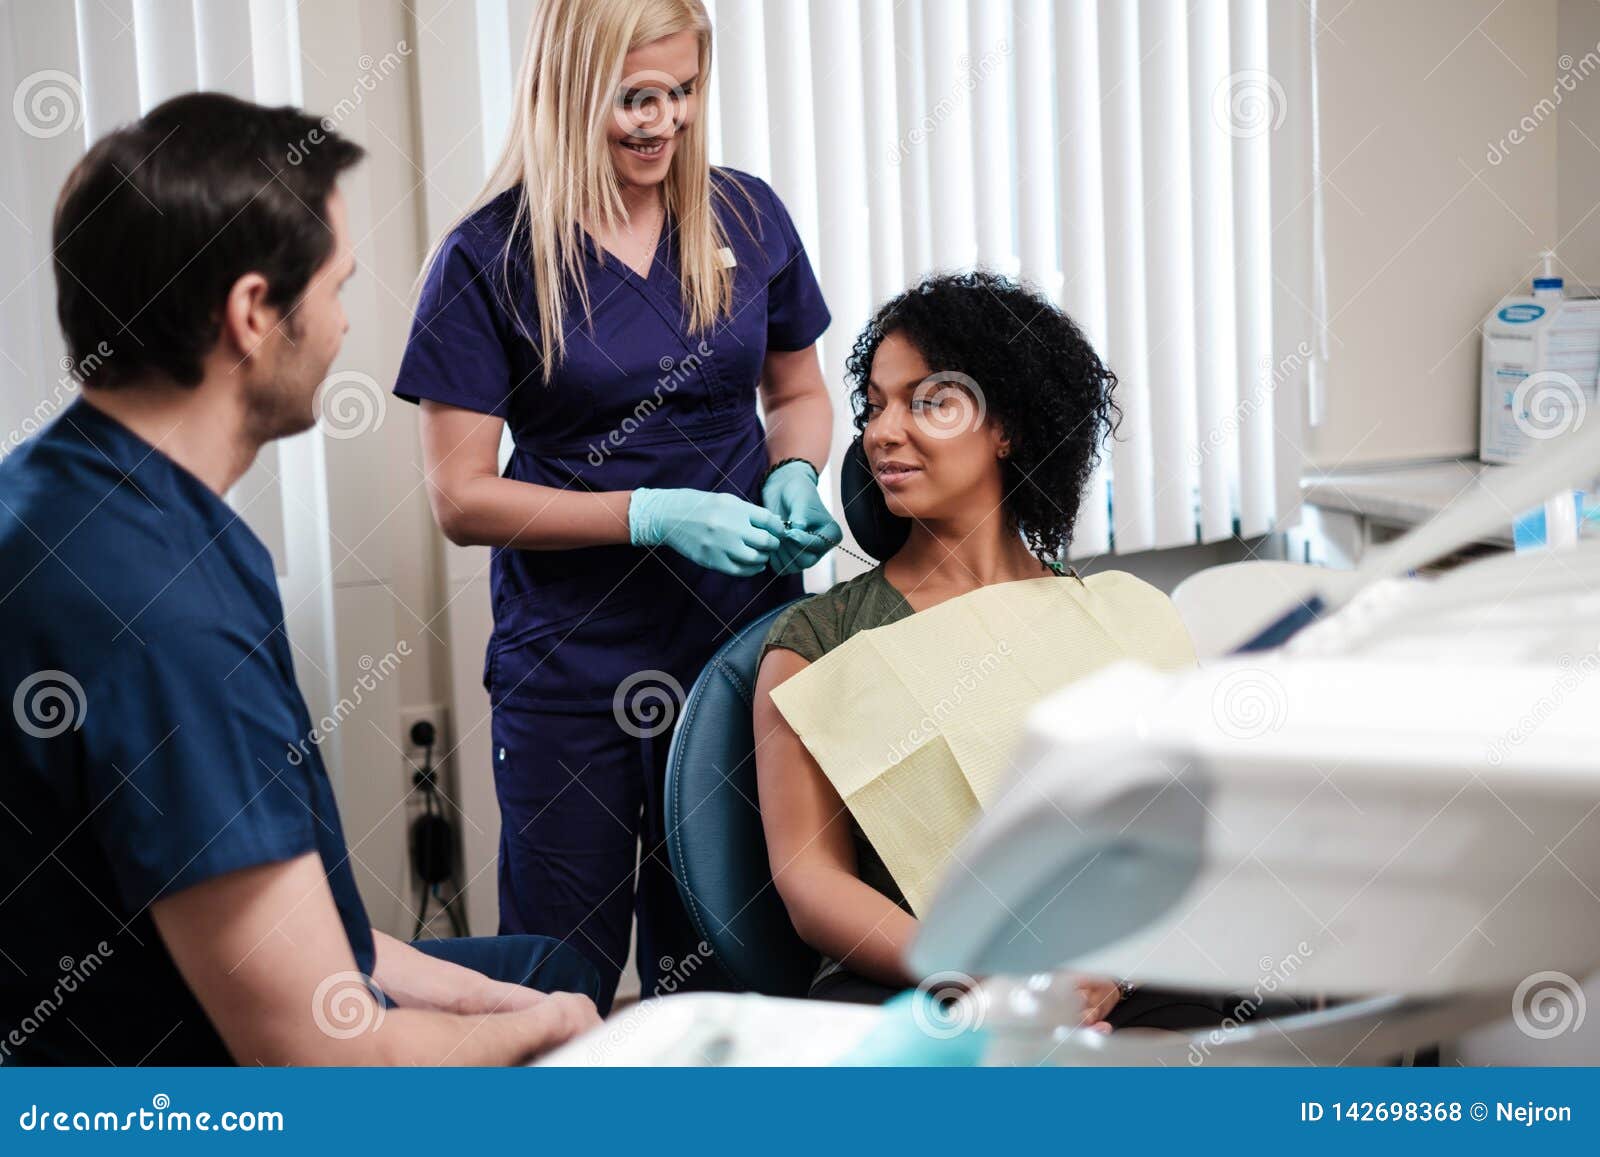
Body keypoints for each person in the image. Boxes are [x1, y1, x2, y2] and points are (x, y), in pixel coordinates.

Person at [0, 93, 599, 1066]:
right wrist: (553, 1023)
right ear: (251, 312)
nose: (343, 322)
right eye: (335, 286)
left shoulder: (53, 490)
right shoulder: (164, 612)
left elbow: (304, 936)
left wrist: (505, 998)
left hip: (130, 992)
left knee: (536, 961)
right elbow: (327, 1063)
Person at [393, 0, 838, 1012]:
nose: (662, 121)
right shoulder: (488, 258)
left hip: (736, 640)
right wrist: (649, 513)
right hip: (573, 660)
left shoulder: (746, 216)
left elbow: (799, 392)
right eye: (633, 97)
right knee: (563, 976)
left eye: (681, 93)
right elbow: (460, 496)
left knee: (738, 955)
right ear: (566, 88)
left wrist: (798, 470)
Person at [754, 272, 1304, 1034]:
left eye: (929, 401)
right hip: (914, 976)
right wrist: (989, 980)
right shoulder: (816, 642)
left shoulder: (1118, 618)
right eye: (875, 404)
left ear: (1006, 427)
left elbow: (1183, 831)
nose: (882, 431)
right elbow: (809, 882)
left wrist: (1107, 970)